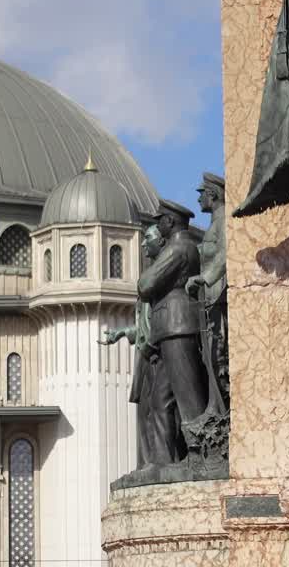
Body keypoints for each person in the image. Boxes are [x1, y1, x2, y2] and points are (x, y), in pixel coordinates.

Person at [103, 225, 183, 467]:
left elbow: (158, 321)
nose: (142, 244)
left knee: (157, 409)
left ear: (161, 242)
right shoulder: (154, 277)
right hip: (146, 354)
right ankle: (147, 463)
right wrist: (123, 333)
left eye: (147, 238)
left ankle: (160, 461)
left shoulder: (161, 280)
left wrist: (150, 344)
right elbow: (146, 323)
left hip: (156, 353)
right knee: (144, 412)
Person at [138, 200, 209, 455]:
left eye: (160, 221)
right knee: (160, 401)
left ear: (169, 222)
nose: (158, 225)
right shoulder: (180, 246)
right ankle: (165, 461)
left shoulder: (178, 248)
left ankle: (202, 452)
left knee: (187, 397)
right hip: (169, 328)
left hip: (177, 326)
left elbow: (145, 284)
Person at [186, 172, 229, 412]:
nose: (199, 199)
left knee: (219, 354)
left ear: (212, 195)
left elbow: (225, 253)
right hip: (212, 298)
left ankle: (224, 407)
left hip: (220, 295)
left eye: (201, 194)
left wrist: (205, 277)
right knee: (211, 354)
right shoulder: (214, 223)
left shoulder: (223, 221)